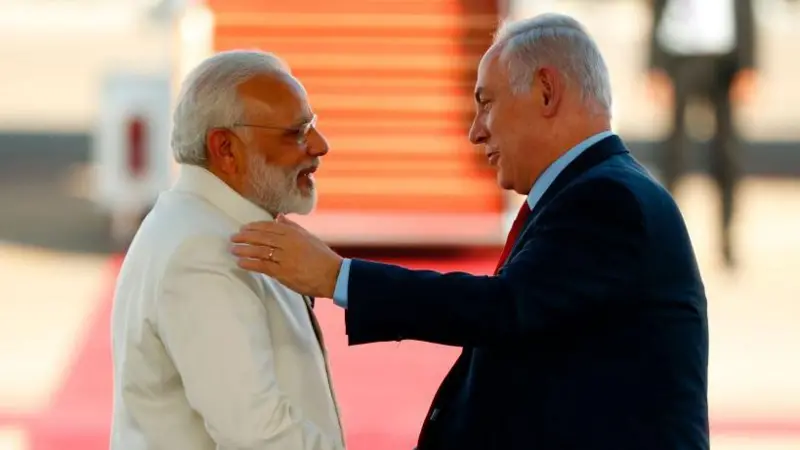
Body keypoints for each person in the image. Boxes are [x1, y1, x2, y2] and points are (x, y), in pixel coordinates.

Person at [231, 14, 710, 450]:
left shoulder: (608, 199)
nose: (476, 131)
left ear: (546, 91)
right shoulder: (594, 190)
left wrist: (339, 277)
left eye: (486, 104)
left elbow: (503, 308)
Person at [109, 50, 345, 450]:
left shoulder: (205, 225)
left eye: (313, 126)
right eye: (296, 133)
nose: (320, 146)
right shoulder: (203, 252)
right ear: (226, 148)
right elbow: (258, 436)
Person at [647, 0, 758, 267]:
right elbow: (658, 9)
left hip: (724, 59)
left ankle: (727, 239)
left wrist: (749, 64)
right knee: (674, 154)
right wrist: (654, 65)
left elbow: (745, 9)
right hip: (679, 54)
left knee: (727, 154)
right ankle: (666, 236)